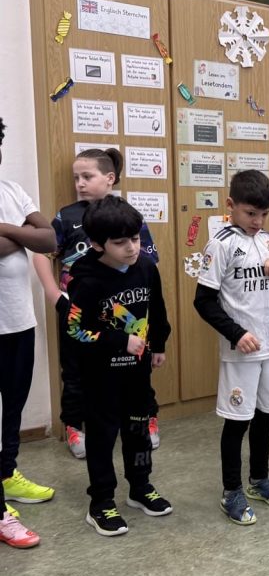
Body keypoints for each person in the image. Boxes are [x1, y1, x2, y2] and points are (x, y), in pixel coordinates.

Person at [32, 147, 161, 458]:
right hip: (80, 311)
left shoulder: (129, 216)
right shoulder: (67, 216)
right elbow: (42, 253)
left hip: (125, 311)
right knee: (75, 370)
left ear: (109, 178)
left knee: (137, 366)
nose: (80, 183)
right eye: (76, 177)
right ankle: (75, 425)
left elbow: (148, 262)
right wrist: (55, 296)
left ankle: (146, 418)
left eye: (87, 176)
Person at [194, 171, 269, 525]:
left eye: (264, 214)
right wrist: (236, 333)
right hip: (241, 352)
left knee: (267, 415)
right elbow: (203, 302)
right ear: (231, 206)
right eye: (251, 213)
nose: (257, 221)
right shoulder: (220, 245)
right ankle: (231, 491)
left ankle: (259, 479)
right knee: (238, 422)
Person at [66, 197, 172, 536]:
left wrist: (159, 344)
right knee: (102, 437)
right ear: (98, 244)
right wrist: (118, 341)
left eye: (135, 238)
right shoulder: (85, 279)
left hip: (137, 372)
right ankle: (101, 502)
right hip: (100, 376)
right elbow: (75, 330)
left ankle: (140, 487)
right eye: (120, 242)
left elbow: (157, 309)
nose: (131, 248)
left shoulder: (145, 267)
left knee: (139, 431)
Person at [0, 117, 55, 543]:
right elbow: (32, 237)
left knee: (13, 404)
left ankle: (6, 474)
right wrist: (25, 233)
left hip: (18, 319)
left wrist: (6, 229)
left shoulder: (12, 191)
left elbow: (49, 238)